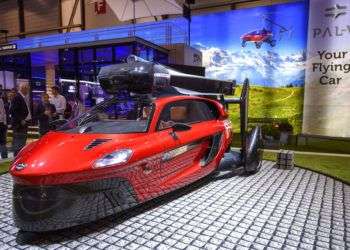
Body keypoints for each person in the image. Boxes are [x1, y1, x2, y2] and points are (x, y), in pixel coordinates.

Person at [10, 82, 31, 156]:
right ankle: (17, 160)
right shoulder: (17, 97)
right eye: (27, 89)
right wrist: (21, 120)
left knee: (21, 143)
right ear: (23, 89)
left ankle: (18, 158)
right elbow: (13, 110)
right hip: (19, 125)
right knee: (19, 144)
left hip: (23, 124)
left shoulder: (21, 97)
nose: (28, 90)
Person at [0, 86, 7, 159]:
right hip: (1, 123)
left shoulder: (2, 100)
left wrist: (4, 123)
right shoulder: (1, 100)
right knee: (2, 142)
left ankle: (4, 159)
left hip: (2, 124)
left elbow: (3, 113)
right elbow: (2, 113)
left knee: (2, 143)